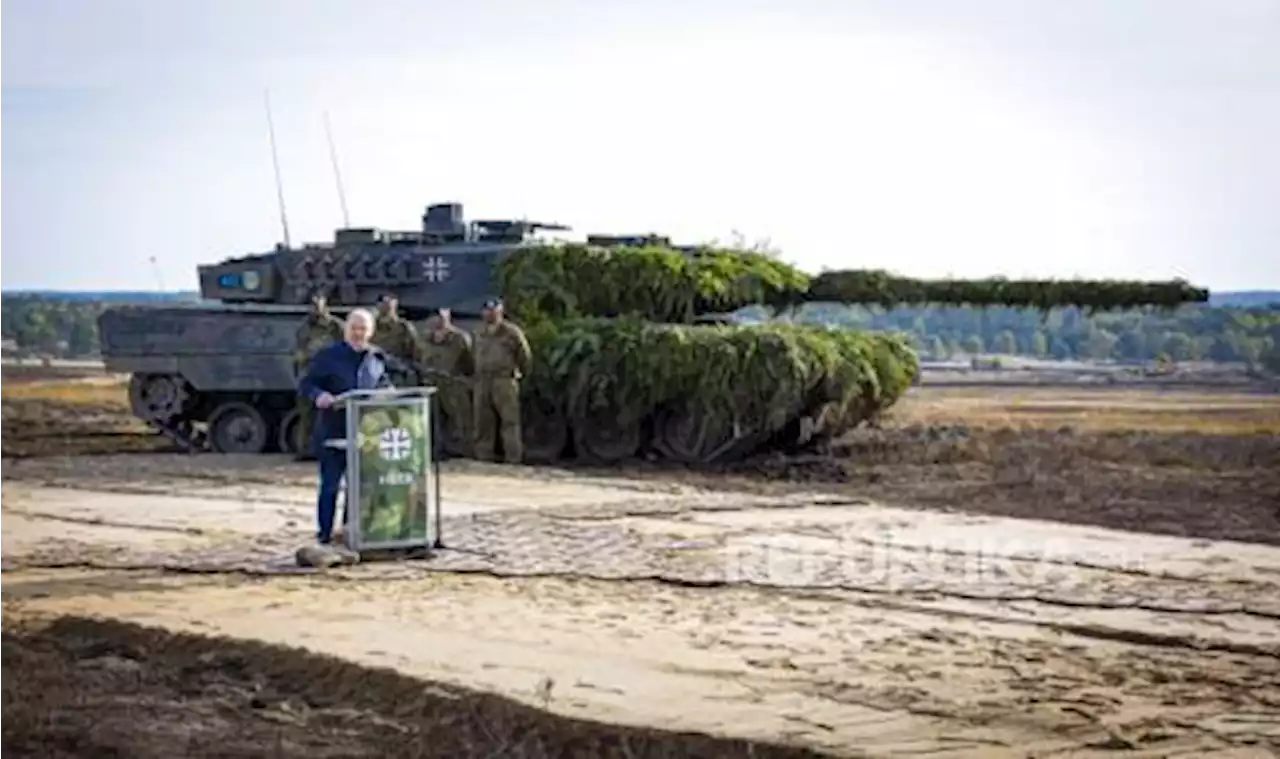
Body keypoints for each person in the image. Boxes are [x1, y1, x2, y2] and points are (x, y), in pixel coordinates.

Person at [296, 308, 394, 546]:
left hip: (364, 433)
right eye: (354, 328)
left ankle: (351, 532)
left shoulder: (376, 358)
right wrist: (320, 395)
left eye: (363, 329)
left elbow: (384, 384)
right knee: (330, 486)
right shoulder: (328, 356)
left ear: (370, 332)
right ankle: (325, 534)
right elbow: (307, 383)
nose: (358, 333)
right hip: (333, 431)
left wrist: (389, 395)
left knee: (357, 487)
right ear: (346, 330)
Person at [472, 298, 532, 464]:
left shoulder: (511, 332)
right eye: (487, 310)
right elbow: (473, 354)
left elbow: (524, 355)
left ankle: (513, 458)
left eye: (494, 310)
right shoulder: (478, 332)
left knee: (509, 420)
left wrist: (520, 373)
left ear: (500, 312)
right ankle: (484, 456)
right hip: (483, 380)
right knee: (483, 421)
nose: (490, 314)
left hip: (503, 380)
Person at [418, 308, 475, 458]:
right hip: (430, 383)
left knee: (460, 419)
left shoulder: (460, 338)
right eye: (435, 316)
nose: (439, 320)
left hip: (453, 384)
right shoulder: (424, 339)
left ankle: (464, 452)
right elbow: (417, 357)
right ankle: (436, 450)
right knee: (432, 420)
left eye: (442, 316)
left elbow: (470, 363)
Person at [292, 294, 343, 461]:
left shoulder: (335, 326)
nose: (314, 308)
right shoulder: (304, 328)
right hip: (309, 374)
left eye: (317, 304)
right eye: (311, 305)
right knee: (307, 415)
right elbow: (297, 352)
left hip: (330, 374)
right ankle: (305, 449)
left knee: (330, 415)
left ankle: (328, 448)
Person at [374, 294, 421, 384]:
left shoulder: (404, 328)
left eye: (389, 304)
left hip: (398, 373)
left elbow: (416, 354)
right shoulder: (370, 327)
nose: (385, 307)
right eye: (383, 303)